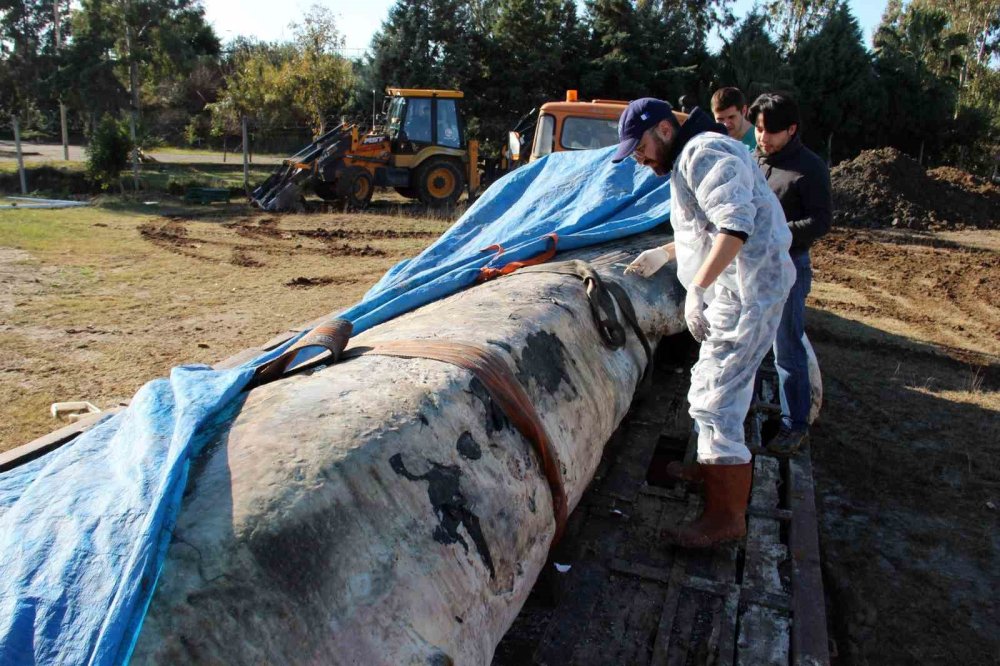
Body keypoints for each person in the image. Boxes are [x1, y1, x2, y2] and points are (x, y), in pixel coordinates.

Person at [614, 99, 794, 548]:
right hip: (733, 290)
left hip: (746, 293)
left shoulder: (702, 153)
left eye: (639, 147)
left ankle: (724, 519)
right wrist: (667, 254)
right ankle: (707, 470)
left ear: (664, 130)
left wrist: (697, 287)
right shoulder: (689, 158)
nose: (638, 157)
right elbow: (707, 228)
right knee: (707, 384)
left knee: (719, 398)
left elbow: (735, 226)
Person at [749, 92, 831, 456]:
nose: (762, 138)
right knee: (747, 340)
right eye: (758, 129)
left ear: (792, 129)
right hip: (752, 264)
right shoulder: (755, 160)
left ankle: (794, 424)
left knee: (786, 347)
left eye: (770, 131)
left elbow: (820, 222)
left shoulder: (808, 168)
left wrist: (775, 231)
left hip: (788, 266)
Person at [711, 87, 756, 152]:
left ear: (744, 111)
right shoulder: (713, 142)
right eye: (720, 119)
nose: (726, 124)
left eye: (731, 117)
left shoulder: (761, 141)